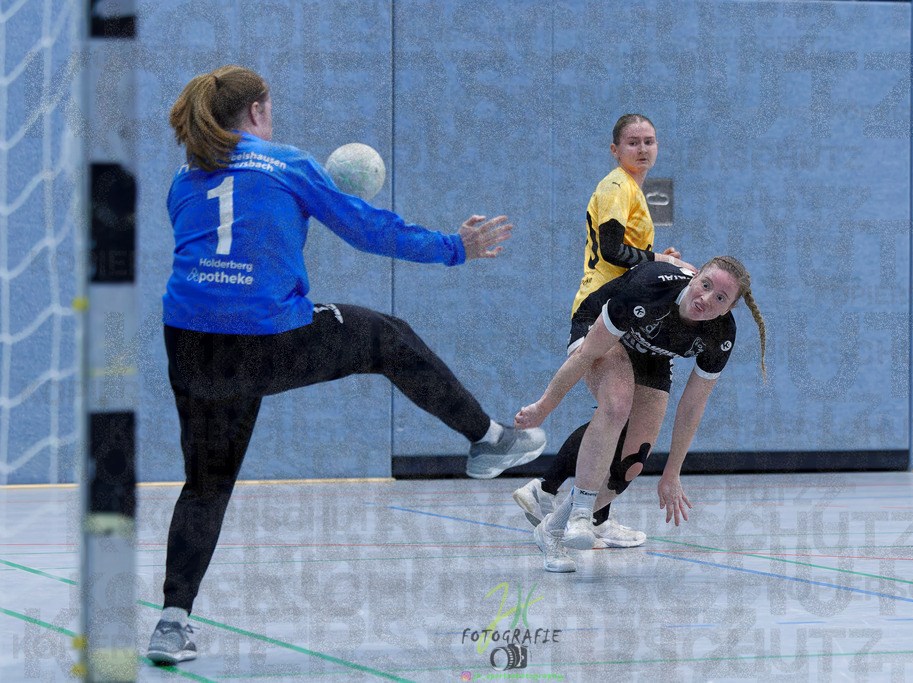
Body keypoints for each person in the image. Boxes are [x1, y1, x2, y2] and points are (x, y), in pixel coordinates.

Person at [146, 65, 546, 665]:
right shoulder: (286, 163)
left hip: (190, 345)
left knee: (206, 484)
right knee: (385, 335)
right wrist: (454, 247)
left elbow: (219, 252)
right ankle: (488, 439)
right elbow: (366, 230)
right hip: (262, 341)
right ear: (257, 112)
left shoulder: (184, 178)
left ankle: (172, 623)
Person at [515, 256, 767, 572]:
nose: (706, 299)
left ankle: (551, 529)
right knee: (617, 404)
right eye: (705, 285)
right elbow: (587, 355)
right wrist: (543, 406)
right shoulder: (650, 288)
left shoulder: (721, 334)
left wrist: (672, 473)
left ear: (729, 308)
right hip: (600, 329)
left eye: (720, 298)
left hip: (653, 356)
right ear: (694, 277)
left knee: (630, 465)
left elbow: (692, 406)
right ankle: (581, 513)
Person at [513, 114, 694, 549]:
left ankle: (581, 508)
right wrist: (658, 262)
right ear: (615, 150)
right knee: (616, 407)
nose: (643, 149)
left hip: (633, 308)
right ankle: (558, 497)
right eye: (633, 142)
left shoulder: (635, 191)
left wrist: (655, 259)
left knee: (627, 421)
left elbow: (626, 252)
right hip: (604, 306)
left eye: (650, 141)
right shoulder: (616, 185)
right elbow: (613, 249)